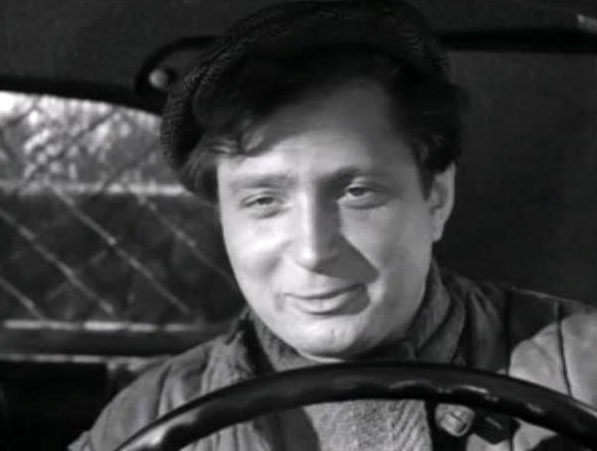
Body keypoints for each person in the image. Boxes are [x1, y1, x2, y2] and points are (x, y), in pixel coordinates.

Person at [70, 1, 597, 450]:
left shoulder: (582, 368)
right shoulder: (148, 415)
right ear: (224, 220)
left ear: (436, 197)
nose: (313, 250)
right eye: (264, 201)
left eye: (357, 192)